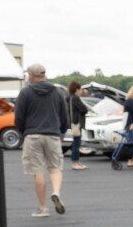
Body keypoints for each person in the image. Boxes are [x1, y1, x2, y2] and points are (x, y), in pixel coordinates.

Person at [12, 65, 69, 217]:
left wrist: (23, 131)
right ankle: (56, 192)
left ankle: (42, 208)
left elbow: (19, 117)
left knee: (37, 171)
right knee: (55, 167)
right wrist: (61, 131)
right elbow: (64, 115)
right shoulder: (57, 92)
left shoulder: (25, 92)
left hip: (32, 135)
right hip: (52, 134)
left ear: (31, 75)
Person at [65, 80, 91, 169]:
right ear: (77, 89)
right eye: (80, 89)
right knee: (76, 143)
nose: (81, 91)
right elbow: (84, 109)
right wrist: (85, 108)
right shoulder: (75, 98)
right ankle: (75, 163)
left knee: (76, 143)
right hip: (76, 123)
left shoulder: (69, 97)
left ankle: (77, 162)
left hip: (73, 122)